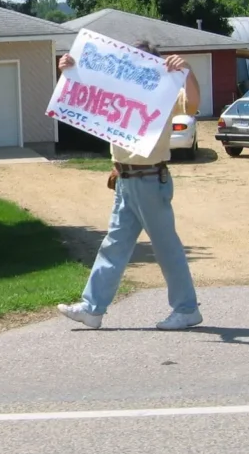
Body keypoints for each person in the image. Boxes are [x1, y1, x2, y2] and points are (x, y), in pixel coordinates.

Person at [57, 40, 204, 330]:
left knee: (166, 247)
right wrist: (69, 71)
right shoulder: (117, 90)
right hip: (125, 178)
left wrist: (187, 70)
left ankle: (187, 309)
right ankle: (92, 308)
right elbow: (80, 95)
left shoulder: (165, 92)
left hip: (150, 178)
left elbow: (194, 104)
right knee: (114, 245)